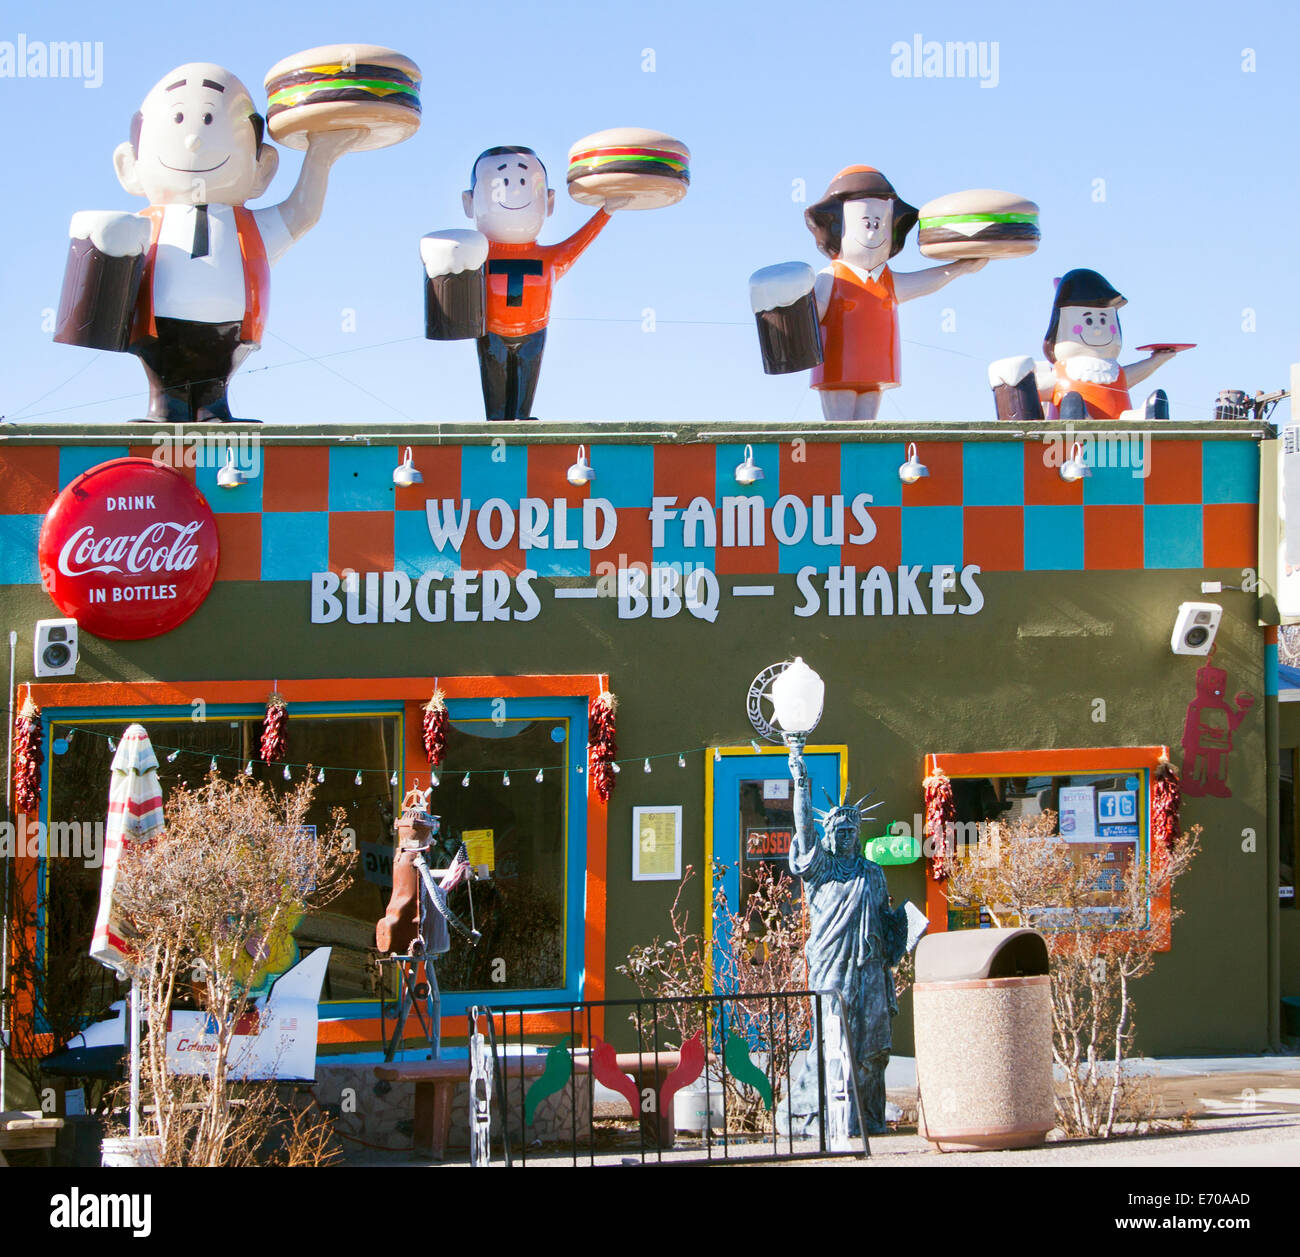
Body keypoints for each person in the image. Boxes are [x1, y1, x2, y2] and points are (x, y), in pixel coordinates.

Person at [61, 62, 358, 421]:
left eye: (207, 122)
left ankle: (214, 405)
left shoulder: (251, 228)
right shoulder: (144, 226)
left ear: (262, 167)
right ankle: (165, 405)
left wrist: (321, 156)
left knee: (214, 386)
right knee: (165, 379)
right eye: (179, 121)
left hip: (231, 330)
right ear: (129, 165)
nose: (193, 140)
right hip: (158, 327)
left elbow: (304, 212)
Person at [422, 146, 625, 420]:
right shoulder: (478, 255)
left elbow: (580, 242)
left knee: (523, 404)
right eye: (502, 183)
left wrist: (606, 211)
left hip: (534, 331)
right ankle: (498, 428)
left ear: (549, 201)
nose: (514, 191)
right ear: (470, 202)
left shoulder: (546, 258)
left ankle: (518, 430)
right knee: (495, 400)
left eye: (521, 183)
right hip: (491, 331)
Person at [786, 739, 912, 1135]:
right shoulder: (820, 867)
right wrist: (801, 784)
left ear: (858, 833)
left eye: (850, 831)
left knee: (873, 1046)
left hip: (871, 968)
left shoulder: (872, 873)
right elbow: (803, 831)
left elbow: (885, 920)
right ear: (829, 833)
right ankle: (825, 1115)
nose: (843, 837)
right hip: (832, 964)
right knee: (833, 1039)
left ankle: (869, 1118)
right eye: (837, 830)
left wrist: (905, 925)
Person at [804, 166, 985, 421]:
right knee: (841, 429)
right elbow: (812, 314)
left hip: (877, 371)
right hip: (837, 371)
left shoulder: (886, 280)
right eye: (867, 222)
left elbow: (924, 282)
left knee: (867, 428)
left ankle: (862, 460)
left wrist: (960, 267)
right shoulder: (830, 276)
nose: (872, 231)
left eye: (880, 223)